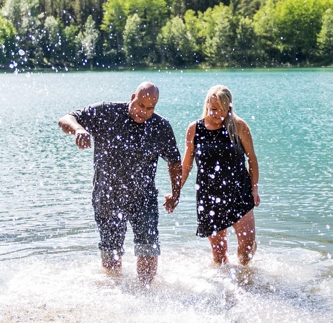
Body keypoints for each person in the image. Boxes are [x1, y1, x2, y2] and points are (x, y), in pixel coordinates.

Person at [58, 82, 182, 285]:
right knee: (111, 253)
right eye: (140, 105)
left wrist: (175, 194)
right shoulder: (107, 112)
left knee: (148, 247)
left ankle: (145, 292)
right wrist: (79, 130)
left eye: (150, 108)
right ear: (133, 96)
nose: (143, 112)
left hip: (143, 197)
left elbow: (175, 163)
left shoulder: (160, 127)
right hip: (107, 196)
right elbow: (66, 119)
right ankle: (116, 290)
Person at [181, 85, 260, 265]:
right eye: (215, 109)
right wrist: (176, 191)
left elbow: (252, 160)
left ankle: (245, 276)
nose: (219, 115)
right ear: (208, 104)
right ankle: (224, 288)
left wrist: (254, 189)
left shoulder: (239, 126)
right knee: (219, 254)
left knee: (246, 248)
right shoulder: (195, 129)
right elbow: (186, 165)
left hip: (239, 192)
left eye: (225, 110)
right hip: (209, 196)